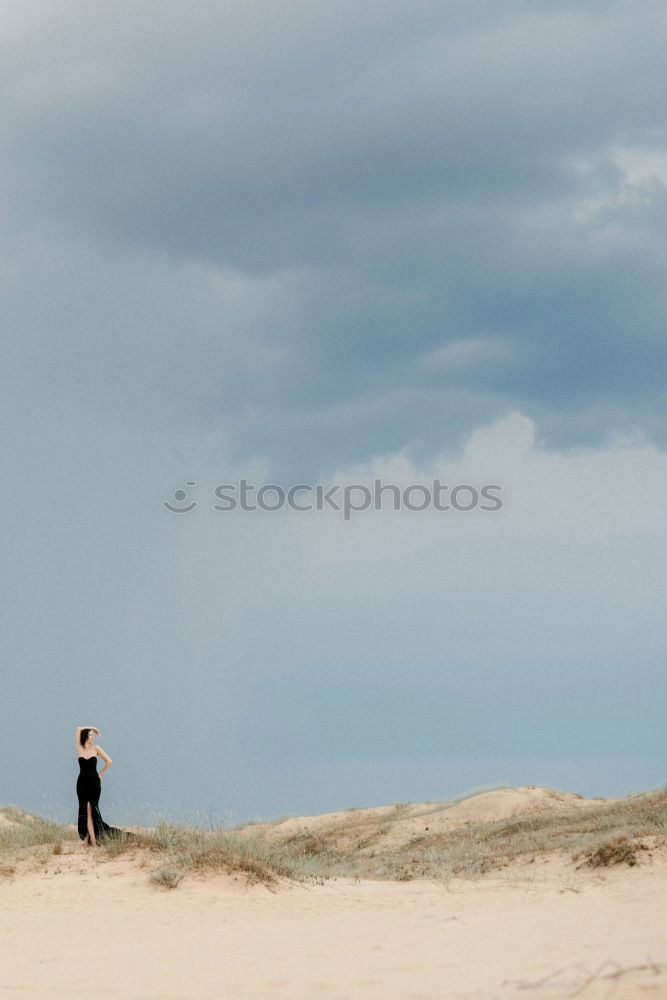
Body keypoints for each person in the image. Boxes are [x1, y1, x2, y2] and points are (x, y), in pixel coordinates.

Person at [75, 726, 126, 846]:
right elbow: (78, 729)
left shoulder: (96, 748)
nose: (93, 737)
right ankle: (88, 837)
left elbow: (109, 761)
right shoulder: (79, 749)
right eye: (91, 735)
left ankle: (92, 839)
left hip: (94, 782)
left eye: (93, 735)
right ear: (85, 736)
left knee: (91, 808)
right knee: (84, 809)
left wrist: (100, 773)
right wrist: (92, 727)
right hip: (81, 783)